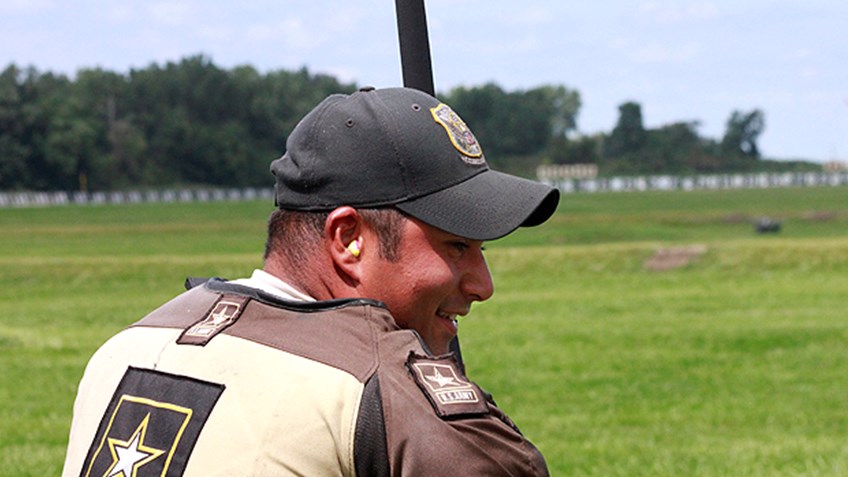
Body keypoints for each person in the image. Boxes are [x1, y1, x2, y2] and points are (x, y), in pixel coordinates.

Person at [62, 86, 559, 476]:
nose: (482, 284)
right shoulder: (376, 387)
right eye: (457, 247)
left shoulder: (125, 347)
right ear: (347, 239)